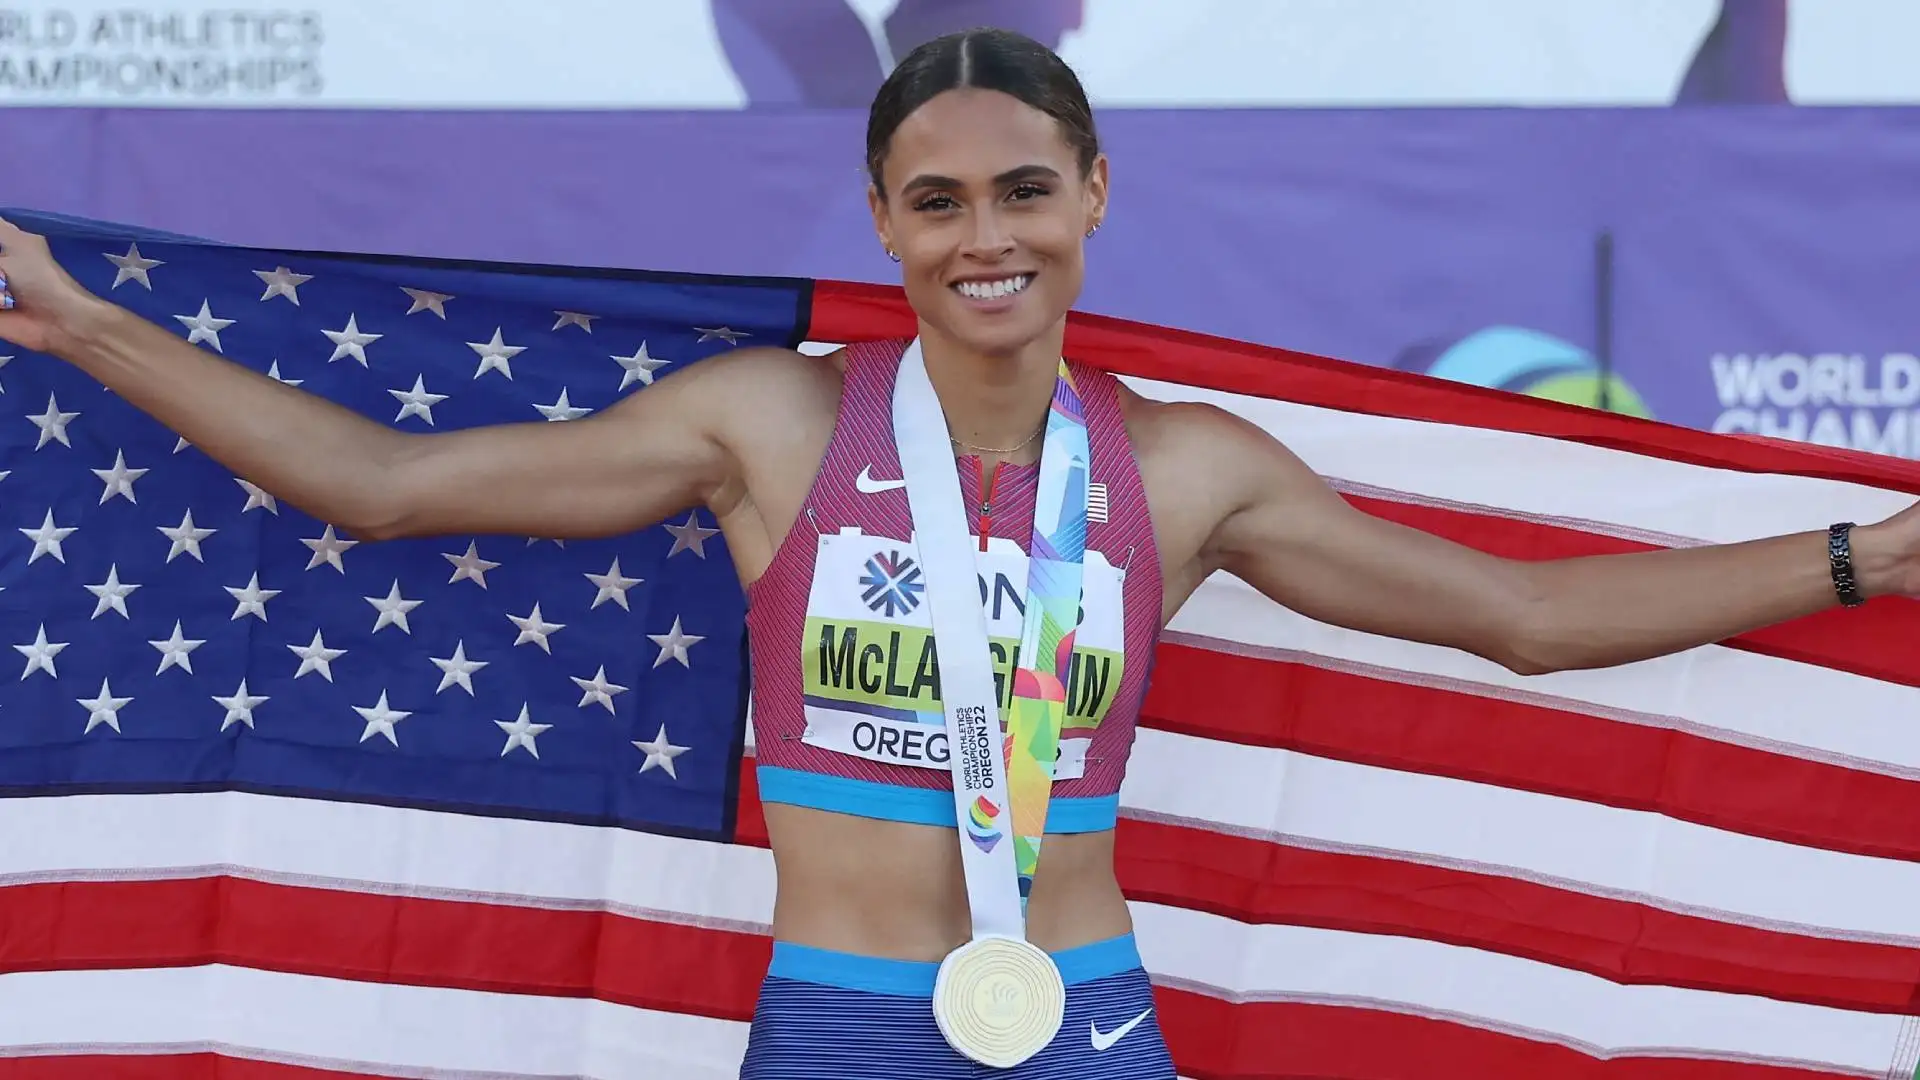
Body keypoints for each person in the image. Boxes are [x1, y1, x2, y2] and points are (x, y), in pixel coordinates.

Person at [0, 26, 1911, 1080]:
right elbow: (391, 485)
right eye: (937, 201)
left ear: (1094, 196)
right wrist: (91, 332)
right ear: (884, 222)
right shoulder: (770, 426)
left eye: (1021, 191)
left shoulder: (1183, 470)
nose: (984, 235)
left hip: (1086, 1024)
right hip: (839, 1032)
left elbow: (1527, 618)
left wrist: (1867, 557)